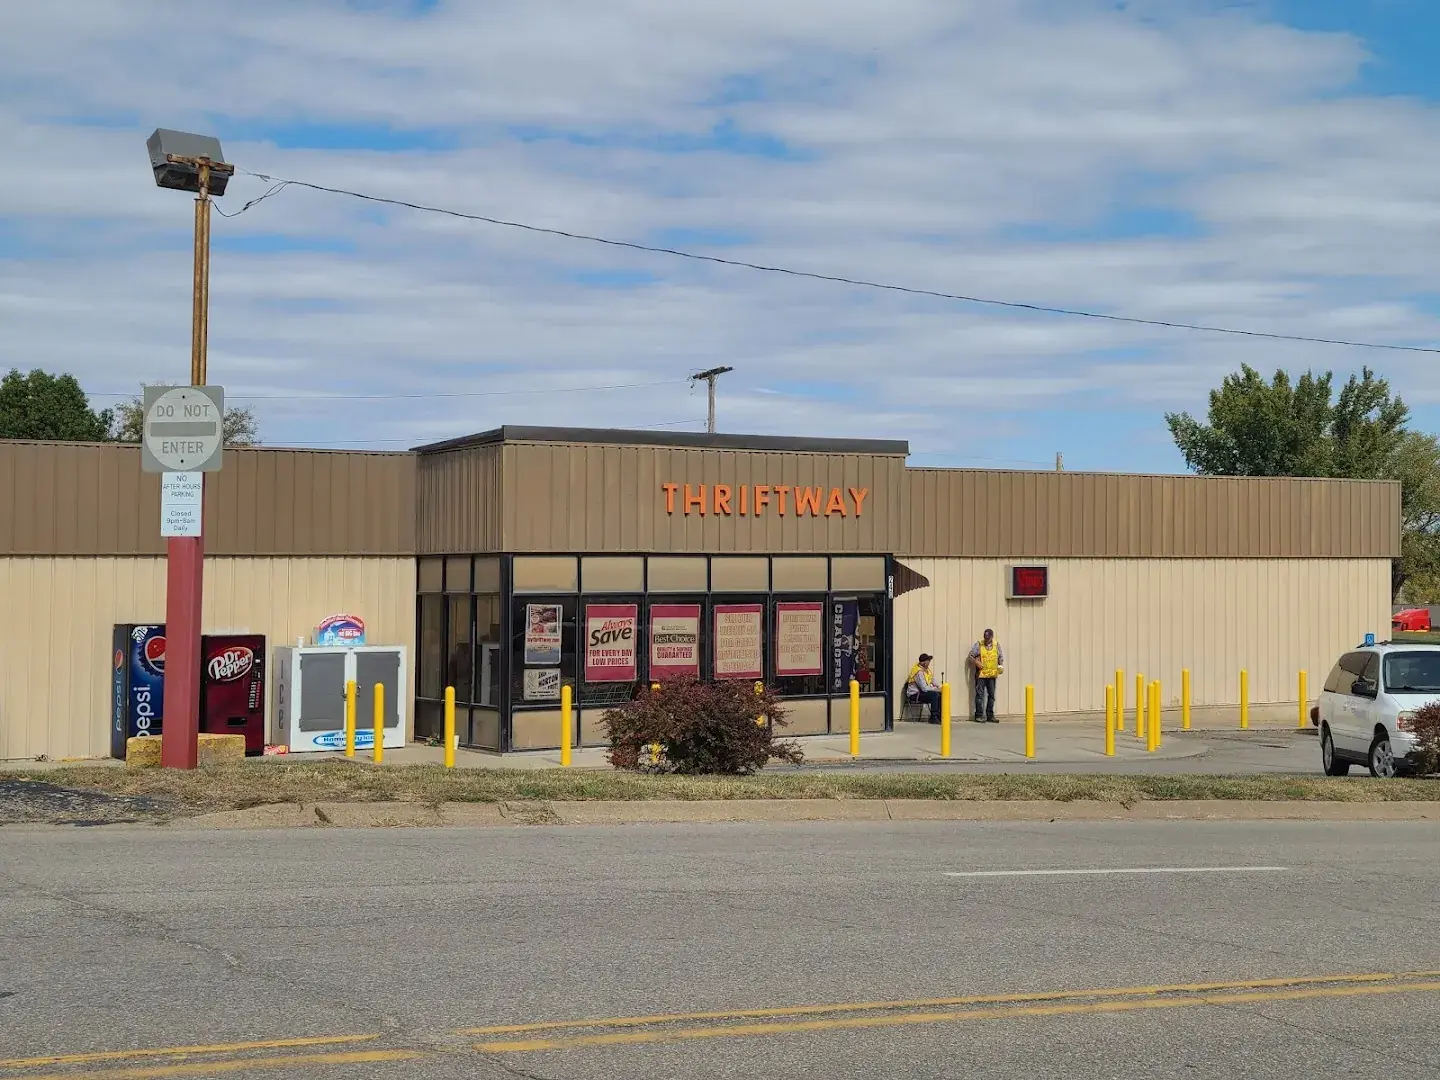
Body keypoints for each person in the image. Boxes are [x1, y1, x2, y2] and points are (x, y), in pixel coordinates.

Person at [968, 629, 1004, 722]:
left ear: (992, 637)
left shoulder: (996, 645)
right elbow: (970, 656)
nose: (986, 639)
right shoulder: (979, 644)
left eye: (988, 638)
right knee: (980, 695)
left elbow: (1000, 657)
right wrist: (976, 662)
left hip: (992, 674)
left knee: (991, 696)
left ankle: (990, 715)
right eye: (985, 637)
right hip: (981, 674)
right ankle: (978, 715)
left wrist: (1000, 665)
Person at [908, 653, 942, 723]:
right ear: (923, 662)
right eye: (928, 661)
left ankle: (939, 716)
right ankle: (933, 717)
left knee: (940, 694)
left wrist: (940, 687)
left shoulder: (926, 670)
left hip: (921, 693)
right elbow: (924, 688)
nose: (929, 663)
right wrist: (935, 689)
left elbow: (932, 679)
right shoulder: (918, 672)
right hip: (914, 695)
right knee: (934, 695)